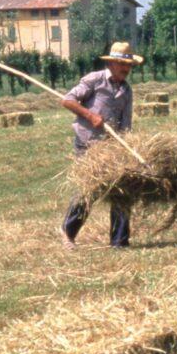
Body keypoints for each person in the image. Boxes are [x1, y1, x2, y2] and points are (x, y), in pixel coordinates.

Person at [60, 41, 144, 249]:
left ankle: (119, 242)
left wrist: (127, 146)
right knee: (91, 188)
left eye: (130, 66)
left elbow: (126, 124)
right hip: (87, 143)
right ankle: (68, 232)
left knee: (122, 188)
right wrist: (90, 115)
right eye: (124, 65)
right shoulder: (94, 80)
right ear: (113, 64)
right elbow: (68, 100)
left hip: (111, 147)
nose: (127, 70)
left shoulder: (127, 90)